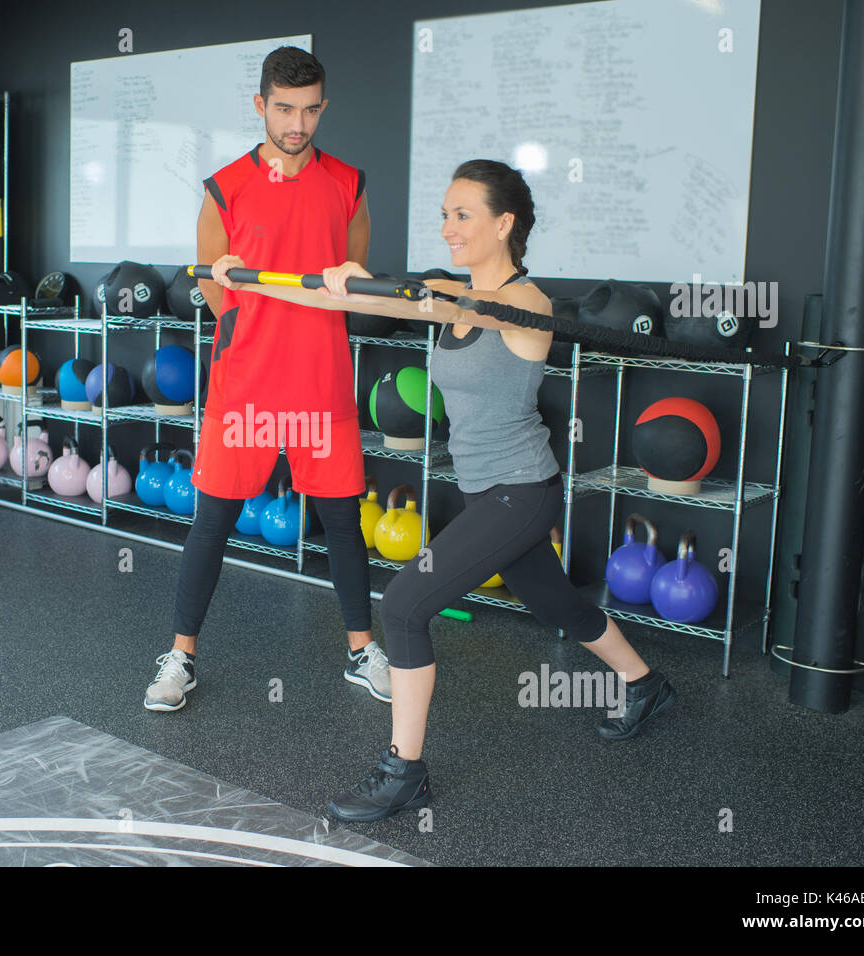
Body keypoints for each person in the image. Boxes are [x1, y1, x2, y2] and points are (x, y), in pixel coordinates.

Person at [223, 159, 676, 821]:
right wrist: (262, 280)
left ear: (505, 223)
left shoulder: (529, 304)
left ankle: (403, 773)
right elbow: (346, 298)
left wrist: (418, 292)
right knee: (559, 606)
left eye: (463, 214)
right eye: (444, 214)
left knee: (405, 606)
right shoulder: (449, 294)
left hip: (520, 493)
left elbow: (474, 305)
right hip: (486, 493)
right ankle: (645, 682)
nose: (448, 227)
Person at [143, 47, 387, 711]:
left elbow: (349, 287)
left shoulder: (348, 184)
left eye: (310, 109)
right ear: (261, 105)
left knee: (341, 521)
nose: (298, 123)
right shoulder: (225, 188)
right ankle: (181, 658)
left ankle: (363, 651)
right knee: (213, 521)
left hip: (320, 381)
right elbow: (216, 295)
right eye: (284, 108)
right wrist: (254, 318)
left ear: (323, 106)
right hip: (245, 384)